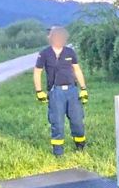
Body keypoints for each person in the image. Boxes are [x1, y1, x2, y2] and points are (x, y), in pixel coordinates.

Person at [33, 26, 89, 156]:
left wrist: (83, 88)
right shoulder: (44, 53)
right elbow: (37, 72)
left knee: (77, 120)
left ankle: (80, 147)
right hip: (55, 92)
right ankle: (58, 152)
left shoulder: (70, 52)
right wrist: (39, 91)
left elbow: (77, 70)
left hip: (72, 91)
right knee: (57, 122)